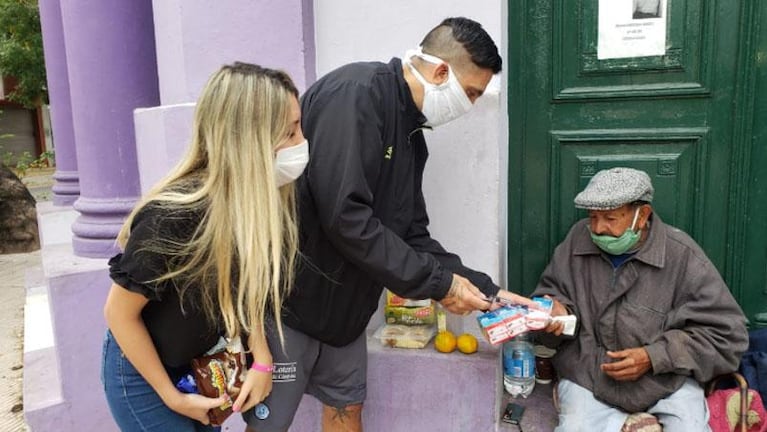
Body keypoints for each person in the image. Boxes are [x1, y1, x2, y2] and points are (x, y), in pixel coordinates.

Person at [243, 16, 532, 432]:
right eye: (470, 93)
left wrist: (486, 289)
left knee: (347, 408)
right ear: (440, 72)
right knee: (270, 423)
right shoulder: (356, 94)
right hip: (291, 305)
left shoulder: (414, 136)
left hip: (347, 314)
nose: (468, 106)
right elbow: (346, 217)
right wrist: (439, 286)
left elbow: (412, 233)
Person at [101, 62, 308, 431]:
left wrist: (262, 359)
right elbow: (119, 314)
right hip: (144, 379)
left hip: (196, 366)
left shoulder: (253, 204)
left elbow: (249, 290)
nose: (301, 143)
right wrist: (172, 396)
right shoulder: (176, 215)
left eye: (299, 127)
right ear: (249, 140)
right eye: (290, 132)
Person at [534, 167, 749, 432]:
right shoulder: (577, 240)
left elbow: (728, 336)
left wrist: (654, 356)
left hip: (667, 382)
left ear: (642, 215)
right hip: (589, 376)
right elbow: (551, 297)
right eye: (592, 217)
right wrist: (555, 312)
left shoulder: (683, 255)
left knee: (691, 427)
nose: (599, 228)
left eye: (611, 218)